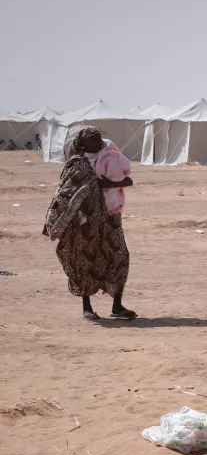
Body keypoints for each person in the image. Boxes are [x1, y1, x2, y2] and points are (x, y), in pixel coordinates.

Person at [42, 127, 135, 321]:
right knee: (86, 258)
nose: (98, 142)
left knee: (119, 255)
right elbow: (68, 195)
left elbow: (128, 181)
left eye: (99, 137)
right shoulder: (77, 164)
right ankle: (87, 307)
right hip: (86, 219)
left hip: (110, 215)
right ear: (82, 143)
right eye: (93, 139)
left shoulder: (110, 156)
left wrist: (107, 184)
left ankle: (117, 306)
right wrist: (82, 220)